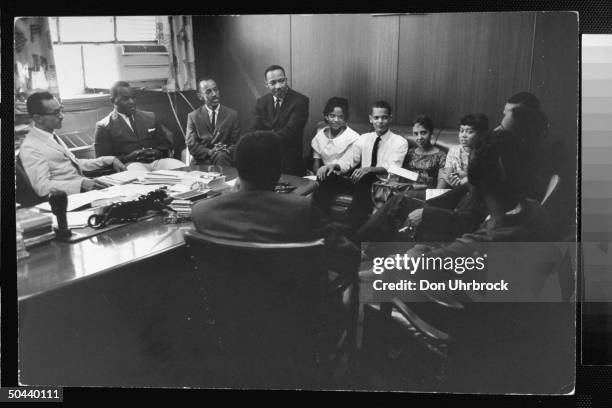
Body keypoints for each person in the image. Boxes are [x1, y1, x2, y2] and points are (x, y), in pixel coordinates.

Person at [192, 130, 359, 277]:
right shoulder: (302, 209)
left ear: (237, 167)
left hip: (227, 309)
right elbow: (349, 256)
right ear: (278, 171)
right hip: (295, 308)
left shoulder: (201, 212)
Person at [313, 100, 408, 233]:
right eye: (376, 117)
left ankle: (351, 224)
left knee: (366, 176)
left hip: (382, 187)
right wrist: (333, 166)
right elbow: (349, 159)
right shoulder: (364, 138)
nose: (380, 121)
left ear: (390, 119)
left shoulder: (400, 142)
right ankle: (318, 222)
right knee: (328, 177)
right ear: (371, 119)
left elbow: (393, 166)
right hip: (361, 185)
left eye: (384, 117)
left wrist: (369, 169)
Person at [20, 91, 126, 197]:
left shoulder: (50, 135)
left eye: (61, 110)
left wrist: (108, 160)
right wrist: (81, 184)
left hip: (82, 192)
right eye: (56, 113)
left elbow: (75, 164)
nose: (62, 116)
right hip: (67, 200)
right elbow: (42, 187)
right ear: (38, 118)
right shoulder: (30, 147)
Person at [94, 81, 185, 171]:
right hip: (130, 165)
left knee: (181, 168)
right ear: (113, 101)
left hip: (157, 162)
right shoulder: (104, 126)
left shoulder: (150, 117)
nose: (131, 102)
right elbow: (103, 160)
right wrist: (128, 158)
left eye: (133, 97)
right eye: (125, 99)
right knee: (141, 177)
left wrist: (157, 152)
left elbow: (165, 144)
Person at [252, 65, 309, 176]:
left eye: (281, 81)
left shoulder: (301, 101)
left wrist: (266, 138)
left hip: (289, 160)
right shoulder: (261, 102)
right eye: (272, 83)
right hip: (265, 158)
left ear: (286, 80)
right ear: (267, 85)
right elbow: (256, 130)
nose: (278, 86)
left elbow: (291, 131)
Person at [186, 78, 241, 166]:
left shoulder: (232, 115)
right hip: (202, 162)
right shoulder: (193, 116)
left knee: (221, 157)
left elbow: (236, 143)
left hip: (224, 160)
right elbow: (192, 145)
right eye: (208, 92)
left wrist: (225, 151)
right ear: (200, 96)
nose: (214, 94)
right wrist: (210, 152)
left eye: (215, 90)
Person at [311, 97, 360, 180]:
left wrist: (330, 168)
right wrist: (318, 174)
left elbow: (347, 164)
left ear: (345, 119)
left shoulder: (353, 137)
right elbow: (316, 162)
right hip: (323, 176)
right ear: (326, 116)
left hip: (343, 178)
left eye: (340, 117)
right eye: (332, 116)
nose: (336, 120)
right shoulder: (320, 135)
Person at [438, 114, 489, 189]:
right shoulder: (453, 150)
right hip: (455, 188)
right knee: (442, 174)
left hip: (476, 190)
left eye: (469, 132)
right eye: (461, 131)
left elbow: (482, 178)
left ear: (479, 134)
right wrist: (451, 179)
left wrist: (464, 179)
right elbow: (448, 173)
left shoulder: (484, 152)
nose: (463, 135)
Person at [402, 114, 447, 188]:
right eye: (416, 134)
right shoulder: (410, 153)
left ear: (431, 133)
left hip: (428, 194)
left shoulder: (441, 155)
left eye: (423, 133)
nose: (419, 137)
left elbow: (441, 186)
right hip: (408, 191)